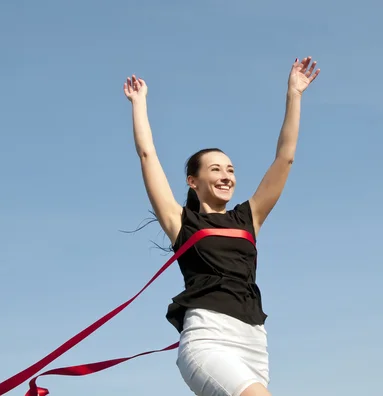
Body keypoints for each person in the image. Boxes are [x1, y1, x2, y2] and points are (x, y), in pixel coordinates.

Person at [123, 56, 320, 396]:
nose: (226, 175)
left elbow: (284, 157)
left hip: (254, 342)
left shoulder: (249, 217)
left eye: (229, 169)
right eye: (215, 169)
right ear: (192, 181)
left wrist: (294, 94)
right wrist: (139, 105)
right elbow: (147, 155)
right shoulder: (181, 222)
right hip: (208, 339)